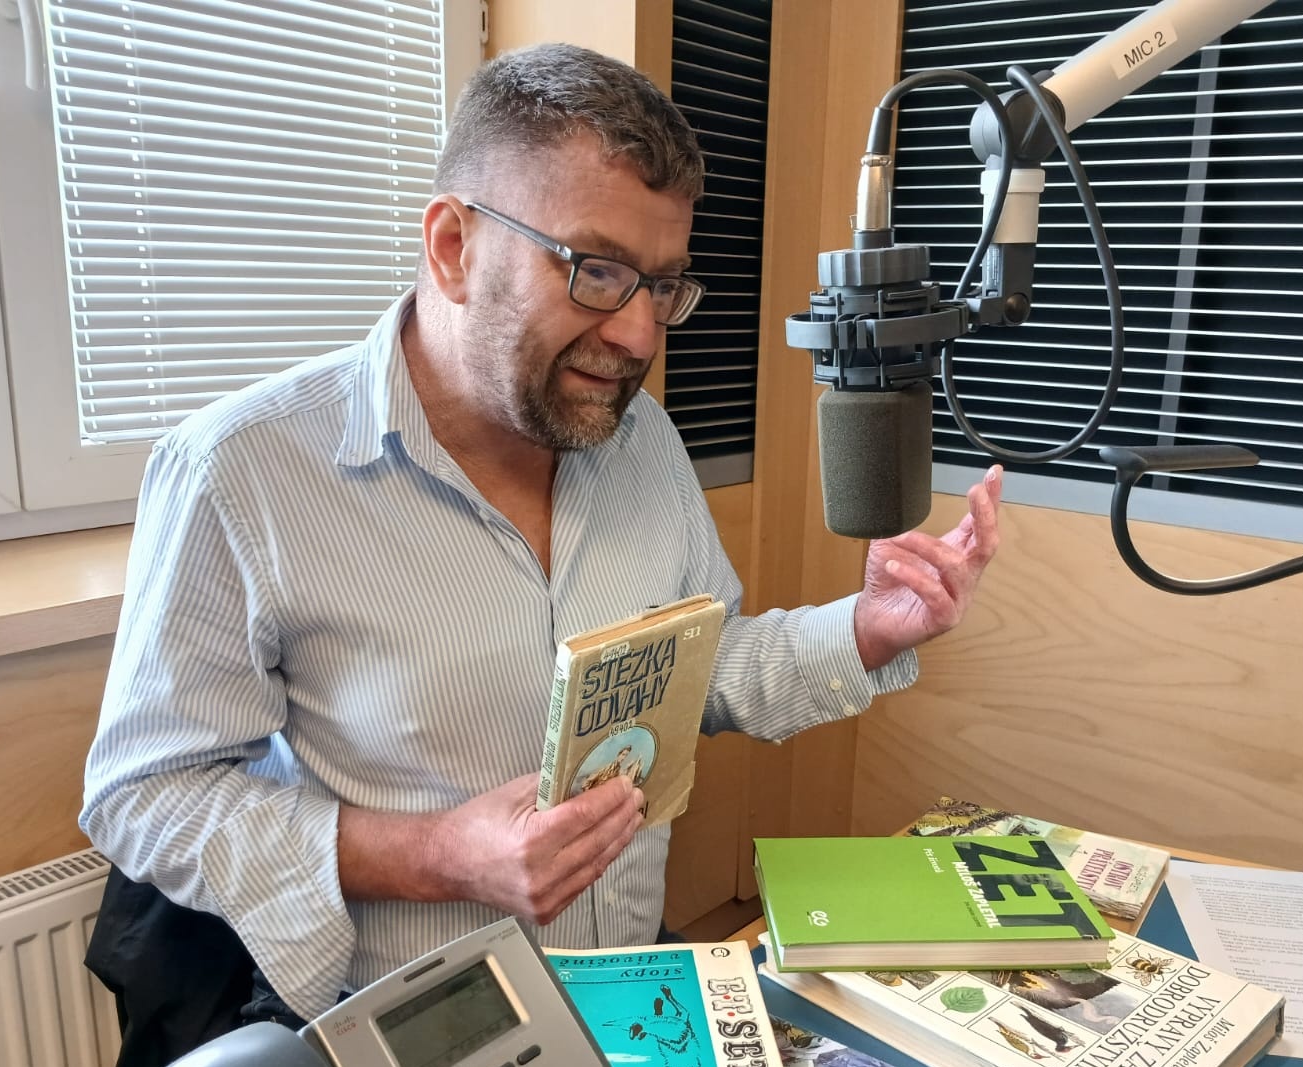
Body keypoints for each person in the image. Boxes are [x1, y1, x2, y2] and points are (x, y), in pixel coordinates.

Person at [79, 40, 1004, 1059]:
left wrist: (867, 629)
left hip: (629, 1001)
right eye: (595, 271)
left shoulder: (640, 437)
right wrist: (437, 854)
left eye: (662, 284)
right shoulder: (239, 470)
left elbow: (698, 668)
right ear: (452, 246)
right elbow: (143, 797)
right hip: (427, 1028)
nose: (641, 337)